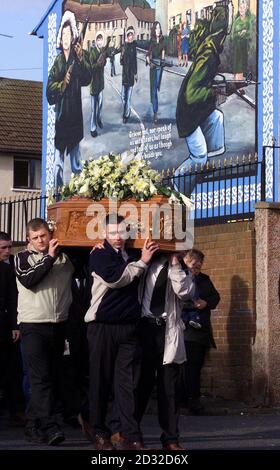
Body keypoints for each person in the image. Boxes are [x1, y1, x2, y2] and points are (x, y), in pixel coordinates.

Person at [85, 214, 158, 450]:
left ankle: (129, 434)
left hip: (128, 328)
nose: (117, 237)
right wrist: (143, 263)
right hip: (102, 326)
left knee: (127, 384)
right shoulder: (98, 254)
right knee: (99, 381)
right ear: (104, 234)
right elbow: (118, 278)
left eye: (121, 232)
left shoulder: (133, 255)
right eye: (112, 233)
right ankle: (98, 431)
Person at [15, 218, 74, 445]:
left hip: (59, 324)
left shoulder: (65, 257)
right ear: (29, 239)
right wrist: (49, 257)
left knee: (52, 377)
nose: (40, 241)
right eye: (35, 237)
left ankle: (32, 425)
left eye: (43, 236)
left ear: (50, 234)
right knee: (39, 379)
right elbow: (29, 279)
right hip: (32, 325)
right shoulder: (21, 258)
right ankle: (50, 428)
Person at [134, 252, 195, 450]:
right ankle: (132, 434)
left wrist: (176, 263)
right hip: (145, 329)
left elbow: (185, 292)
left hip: (167, 330)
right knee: (139, 384)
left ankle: (170, 438)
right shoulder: (143, 262)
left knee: (169, 388)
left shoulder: (181, 269)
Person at [176, 2, 233, 176]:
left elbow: (204, 82)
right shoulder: (209, 53)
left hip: (197, 109)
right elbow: (192, 94)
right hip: (188, 113)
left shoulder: (212, 48)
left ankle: (205, 164)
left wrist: (221, 87)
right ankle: (176, 187)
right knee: (198, 157)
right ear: (222, 31)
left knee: (217, 118)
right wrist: (216, 92)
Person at [46, 10, 91, 190]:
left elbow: (87, 79)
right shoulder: (58, 62)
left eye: (69, 34)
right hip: (61, 119)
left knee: (76, 165)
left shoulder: (78, 56)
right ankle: (56, 198)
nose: (66, 37)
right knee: (57, 164)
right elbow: (49, 89)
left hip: (75, 118)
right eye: (63, 34)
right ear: (60, 37)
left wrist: (80, 59)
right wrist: (61, 85)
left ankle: (77, 197)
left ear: (73, 37)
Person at [181, 249, 220, 414]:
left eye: (199, 267)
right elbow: (176, 301)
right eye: (193, 266)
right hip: (186, 329)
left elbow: (215, 297)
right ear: (186, 262)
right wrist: (192, 306)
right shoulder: (180, 278)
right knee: (189, 367)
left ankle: (191, 399)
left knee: (196, 366)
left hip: (201, 330)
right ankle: (189, 400)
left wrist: (205, 303)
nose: (196, 270)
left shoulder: (204, 279)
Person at [0, 232, 26, 426]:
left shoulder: (10, 267)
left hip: (5, 324)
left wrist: (14, 326)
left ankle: (15, 411)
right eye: (3, 248)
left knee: (11, 368)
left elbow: (12, 298)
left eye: (9, 247)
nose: (8, 251)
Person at [89, 32, 110, 138]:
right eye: (98, 39)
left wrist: (104, 60)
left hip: (100, 83)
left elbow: (104, 62)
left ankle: (99, 119)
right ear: (96, 41)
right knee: (93, 108)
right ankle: (93, 128)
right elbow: (90, 67)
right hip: (94, 84)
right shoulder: (92, 52)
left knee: (100, 105)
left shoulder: (103, 51)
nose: (100, 41)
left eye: (101, 39)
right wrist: (97, 64)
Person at [146, 21, 165, 124]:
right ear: (154, 30)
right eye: (156, 28)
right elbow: (147, 55)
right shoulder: (151, 41)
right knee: (154, 91)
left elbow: (163, 51)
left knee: (157, 87)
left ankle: (154, 104)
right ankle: (155, 113)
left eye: (159, 28)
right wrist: (150, 64)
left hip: (159, 68)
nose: (158, 30)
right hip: (153, 69)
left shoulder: (162, 40)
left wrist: (163, 60)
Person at [120, 26, 137, 124]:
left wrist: (135, 73)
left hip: (130, 75)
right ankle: (127, 110)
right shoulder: (124, 46)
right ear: (127, 36)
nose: (130, 37)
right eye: (129, 35)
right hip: (124, 75)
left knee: (128, 97)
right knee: (123, 96)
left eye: (131, 35)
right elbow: (121, 62)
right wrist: (122, 56)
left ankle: (126, 115)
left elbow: (134, 61)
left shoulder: (133, 47)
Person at [232, 0, 252, 80]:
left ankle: (240, 83)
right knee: (237, 66)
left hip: (245, 47)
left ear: (246, 9)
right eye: (240, 7)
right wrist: (240, 33)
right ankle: (237, 83)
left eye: (243, 8)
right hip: (237, 48)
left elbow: (249, 33)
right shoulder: (236, 22)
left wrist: (244, 33)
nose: (242, 9)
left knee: (243, 66)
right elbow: (232, 36)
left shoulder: (248, 21)